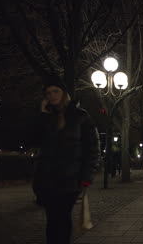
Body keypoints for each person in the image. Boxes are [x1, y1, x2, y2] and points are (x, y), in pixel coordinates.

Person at [30, 76, 99, 244]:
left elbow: (92, 148)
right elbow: (33, 140)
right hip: (46, 177)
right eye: (48, 92)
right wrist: (42, 116)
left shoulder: (80, 116)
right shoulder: (46, 116)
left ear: (64, 92)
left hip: (70, 177)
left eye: (55, 91)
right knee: (52, 219)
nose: (52, 95)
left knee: (61, 217)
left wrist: (86, 177)